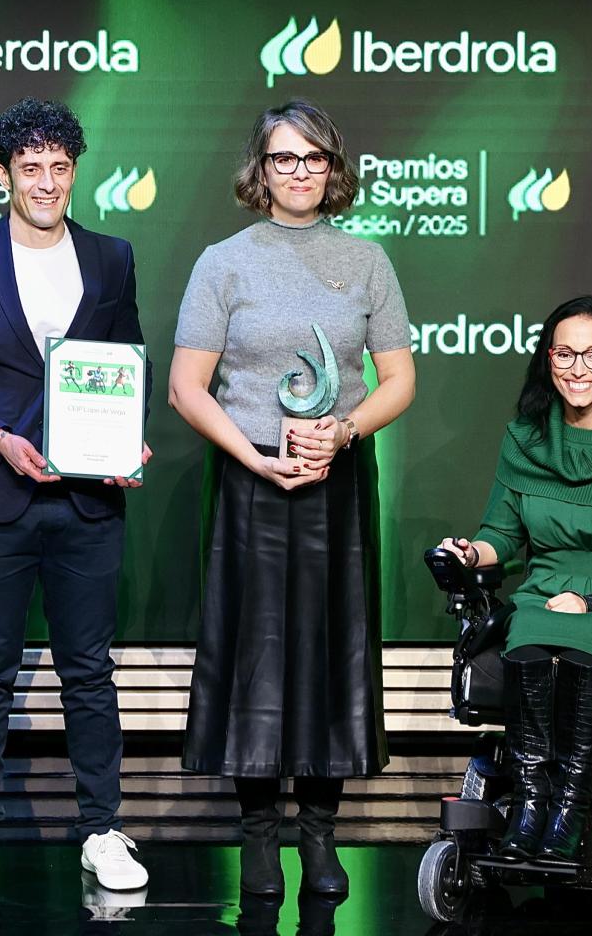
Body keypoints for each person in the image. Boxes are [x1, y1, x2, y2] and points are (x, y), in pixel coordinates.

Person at [170, 98, 416, 898]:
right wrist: (256, 457)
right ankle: (258, 839)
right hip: (250, 482)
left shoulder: (367, 259)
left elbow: (400, 378)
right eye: (284, 158)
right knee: (254, 658)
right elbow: (186, 387)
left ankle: (319, 837)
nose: (299, 172)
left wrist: (341, 433)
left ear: (333, 169)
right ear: (260, 170)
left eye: (313, 158)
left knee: (330, 653)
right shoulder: (224, 261)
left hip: (336, 480)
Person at [0, 97, 150, 896]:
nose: (46, 181)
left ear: (74, 171)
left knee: (89, 670)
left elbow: (127, 361)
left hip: (91, 502)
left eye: (59, 167)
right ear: (3, 174)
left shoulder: (113, 256)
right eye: (31, 168)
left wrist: (131, 438)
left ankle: (102, 829)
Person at [436, 296, 592, 861]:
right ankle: (531, 806)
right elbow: (501, 536)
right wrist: (469, 552)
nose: (579, 369)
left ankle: (570, 809)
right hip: (544, 592)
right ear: (548, 360)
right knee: (527, 632)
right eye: (566, 354)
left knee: (576, 636)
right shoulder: (525, 441)